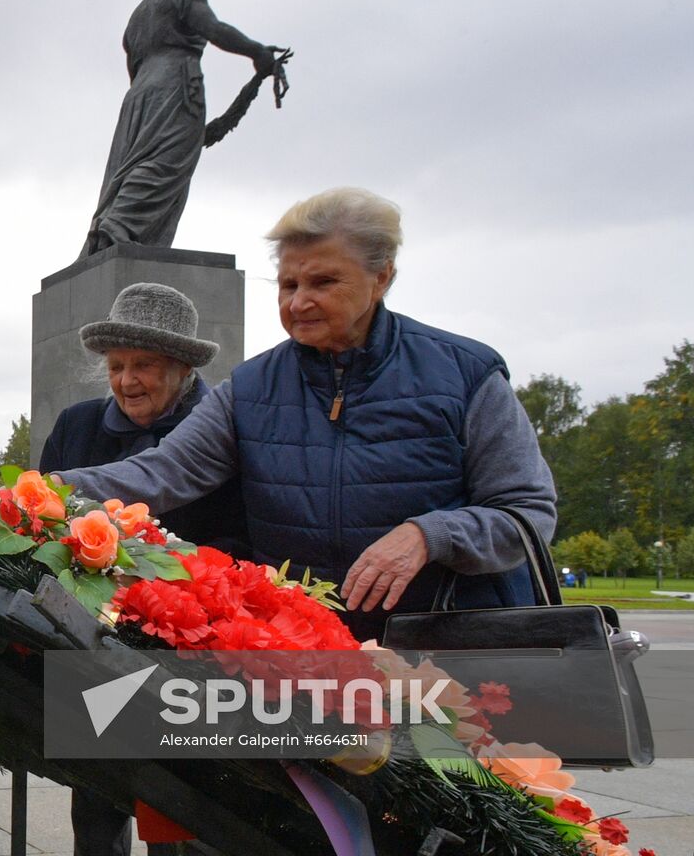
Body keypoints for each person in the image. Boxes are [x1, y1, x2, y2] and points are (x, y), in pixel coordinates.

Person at [58, 187, 557, 643]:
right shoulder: (250, 389)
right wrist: (35, 491)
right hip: (311, 652)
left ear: (381, 276)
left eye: (323, 281)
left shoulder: (466, 374)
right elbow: (161, 472)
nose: (299, 302)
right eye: (287, 284)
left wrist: (432, 534)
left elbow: (527, 512)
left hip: (450, 646)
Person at [42, 281, 243, 856]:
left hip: (190, 644)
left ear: (181, 367)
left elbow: (241, 535)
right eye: (116, 365)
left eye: (145, 365)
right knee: (98, 792)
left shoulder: (223, 431)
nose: (127, 381)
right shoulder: (77, 426)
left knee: (183, 803)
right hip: (94, 639)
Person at [78, 0, 280, 258]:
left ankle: (113, 226)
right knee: (164, 163)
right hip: (176, 84)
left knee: (134, 165)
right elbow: (213, 29)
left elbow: (134, 65)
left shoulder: (137, 16)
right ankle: (118, 224)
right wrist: (257, 52)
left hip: (138, 96)